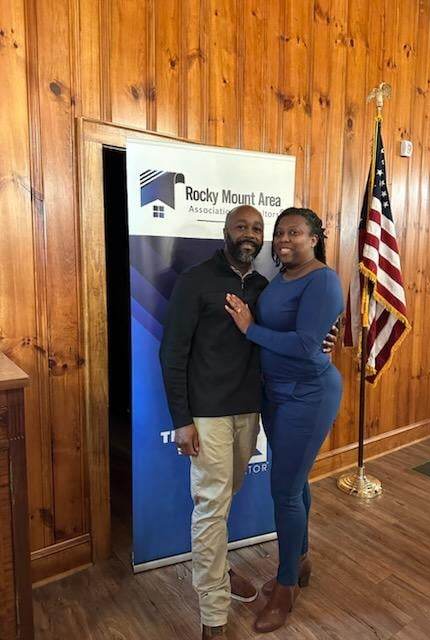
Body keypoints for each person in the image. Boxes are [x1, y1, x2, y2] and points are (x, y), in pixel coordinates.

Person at [160, 205, 338, 639]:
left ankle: (280, 573)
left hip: (265, 405)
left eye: (259, 228)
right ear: (225, 231)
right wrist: (182, 419)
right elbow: (173, 352)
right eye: (242, 226)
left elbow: (302, 337)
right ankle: (215, 613)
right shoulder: (199, 280)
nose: (254, 234)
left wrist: (321, 341)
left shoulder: (267, 283)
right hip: (217, 411)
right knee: (217, 505)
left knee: (271, 491)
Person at [225, 206, 344, 633]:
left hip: (308, 395)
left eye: (294, 233)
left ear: (314, 238)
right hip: (275, 394)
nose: (283, 240)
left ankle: (286, 586)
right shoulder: (283, 276)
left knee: (285, 492)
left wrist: (249, 328)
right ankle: (302, 558)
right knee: (295, 484)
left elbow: (308, 346)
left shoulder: (322, 279)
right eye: (279, 233)